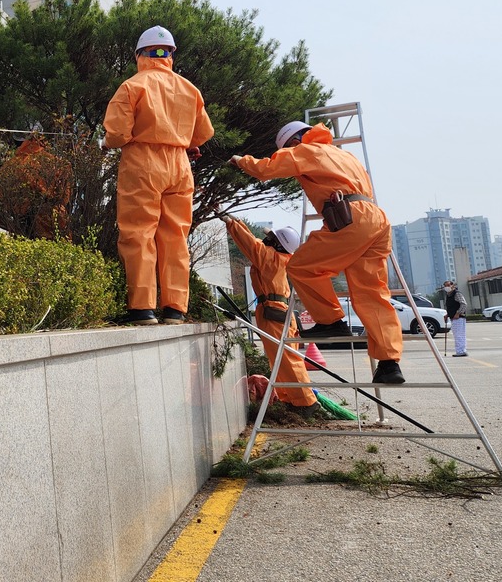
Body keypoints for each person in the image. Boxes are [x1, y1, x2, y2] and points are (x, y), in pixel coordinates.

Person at [229, 120, 405, 384]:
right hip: (376, 219)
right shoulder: (344, 155)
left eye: (288, 148)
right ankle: (390, 363)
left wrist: (240, 160)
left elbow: (266, 169)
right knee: (372, 292)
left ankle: (331, 320)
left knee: (301, 267)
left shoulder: (306, 151)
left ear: (295, 141)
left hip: (349, 217)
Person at [102, 25, 214, 325]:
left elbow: (117, 133)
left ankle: (142, 309)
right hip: (180, 166)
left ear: (140, 55)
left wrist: (106, 142)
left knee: (139, 233)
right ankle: (175, 309)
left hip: (143, 162)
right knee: (175, 237)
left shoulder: (132, 86)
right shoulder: (190, 89)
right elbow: (204, 132)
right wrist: (182, 143)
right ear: (170, 55)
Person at [224, 216, 320, 415]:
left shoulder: (270, 257)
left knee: (285, 360)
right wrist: (236, 221)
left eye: (271, 238)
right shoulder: (281, 257)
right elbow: (254, 241)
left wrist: (230, 222)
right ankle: (292, 399)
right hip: (280, 312)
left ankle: (306, 402)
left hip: (274, 312)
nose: (265, 239)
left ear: (277, 244)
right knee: (281, 360)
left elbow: (249, 243)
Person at [443, 280, 468, 357]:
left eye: (448, 285)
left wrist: (458, 313)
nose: (447, 287)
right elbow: (452, 307)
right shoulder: (448, 295)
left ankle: (460, 351)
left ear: (452, 285)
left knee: (458, 335)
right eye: (445, 286)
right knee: (458, 334)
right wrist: (448, 314)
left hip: (458, 318)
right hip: (453, 317)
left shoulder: (456, 294)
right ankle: (461, 350)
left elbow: (464, 304)